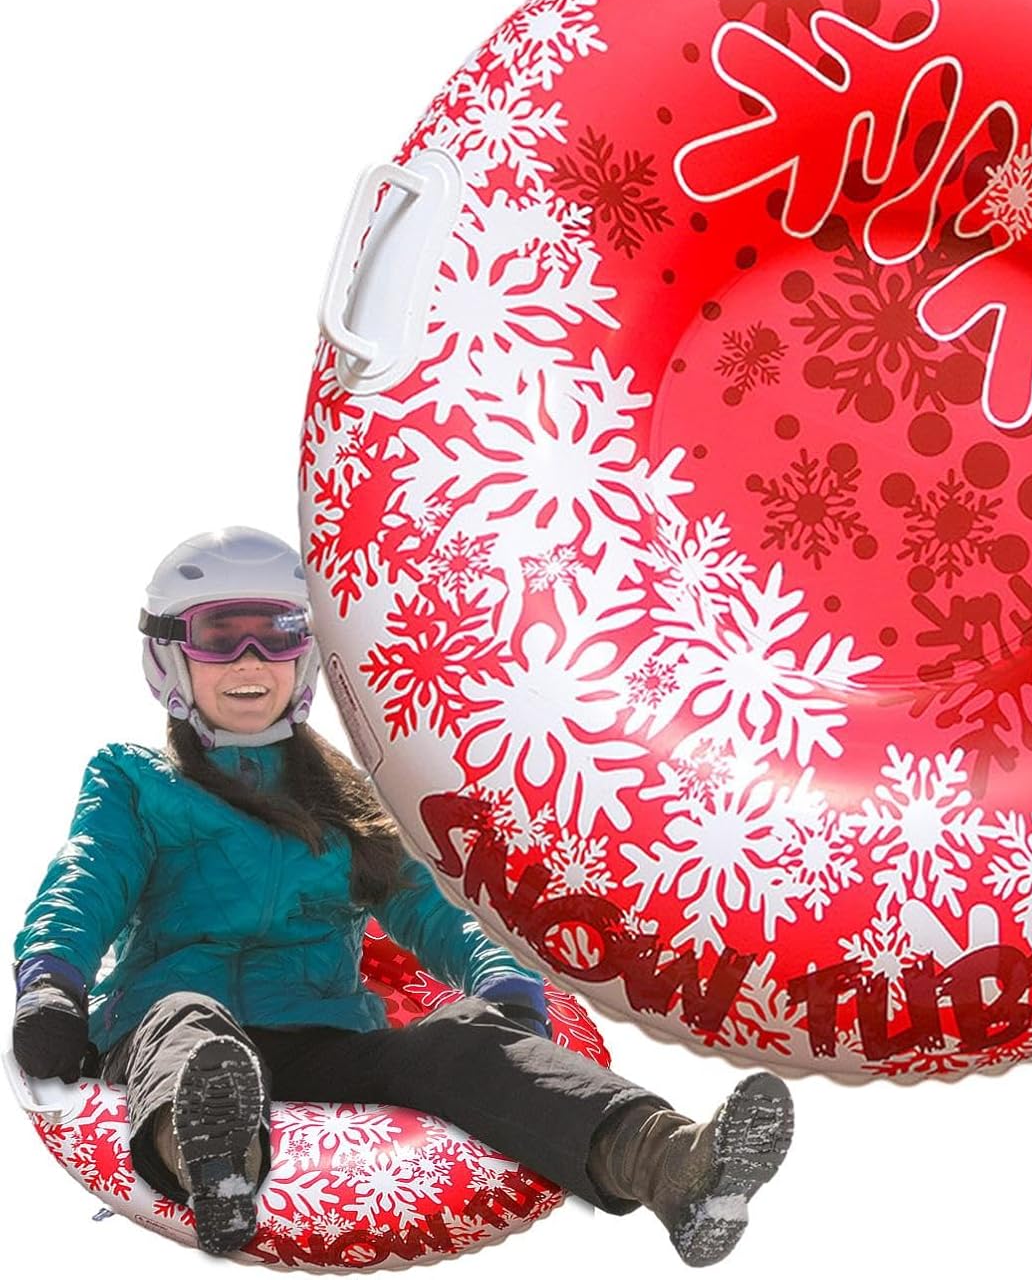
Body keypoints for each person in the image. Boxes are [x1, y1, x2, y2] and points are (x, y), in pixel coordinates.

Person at [11, 527, 793, 1267]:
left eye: (278, 634)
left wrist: (500, 976)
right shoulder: (136, 780)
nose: (252, 659)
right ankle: (216, 1165)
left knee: (459, 1039)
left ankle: (672, 1166)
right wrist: (51, 982)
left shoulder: (346, 798)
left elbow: (430, 905)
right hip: (171, 1021)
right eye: (221, 636)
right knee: (191, 1023)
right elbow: (88, 878)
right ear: (170, 656)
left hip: (319, 1033)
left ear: (306, 654)